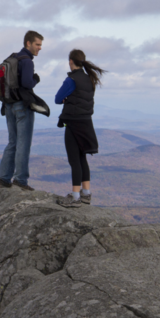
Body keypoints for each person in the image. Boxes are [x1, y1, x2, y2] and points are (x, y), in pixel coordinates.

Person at [55, 50, 106, 208]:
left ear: (71, 61)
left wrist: (66, 99)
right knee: (82, 158)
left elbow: (57, 99)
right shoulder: (89, 78)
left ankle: (75, 197)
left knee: (74, 160)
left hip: (73, 123)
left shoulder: (71, 80)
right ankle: (86, 194)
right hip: (86, 123)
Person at [0, 31, 44, 192]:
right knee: (23, 144)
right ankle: (20, 180)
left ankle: (3, 179)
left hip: (8, 105)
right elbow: (27, 84)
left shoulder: (13, 58)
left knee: (12, 142)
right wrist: (35, 79)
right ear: (28, 43)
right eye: (37, 44)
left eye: (40, 45)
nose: (40, 48)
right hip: (22, 107)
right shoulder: (27, 62)